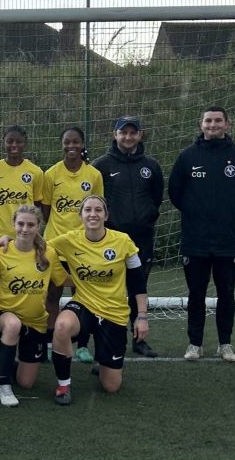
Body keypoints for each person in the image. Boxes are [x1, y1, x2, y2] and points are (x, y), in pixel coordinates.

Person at [168, 106, 235, 363]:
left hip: (229, 240)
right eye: (208, 120)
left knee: (226, 294)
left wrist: (231, 214)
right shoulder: (187, 157)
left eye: (218, 120)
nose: (213, 125)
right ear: (201, 124)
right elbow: (175, 192)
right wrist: (197, 214)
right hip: (195, 240)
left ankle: (225, 344)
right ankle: (194, 344)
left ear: (227, 125)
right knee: (196, 294)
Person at [47, 195, 149, 405]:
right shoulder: (69, 239)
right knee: (62, 325)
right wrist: (7, 240)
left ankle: (105, 362)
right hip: (83, 304)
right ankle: (64, 385)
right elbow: (37, 245)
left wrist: (142, 317)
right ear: (80, 215)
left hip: (114, 312)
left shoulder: (123, 241)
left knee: (111, 387)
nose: (93, 214)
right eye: (88, 210)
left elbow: (138, 283)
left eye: (98, 210)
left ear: (106, 215)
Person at [92, 115, 164, 358]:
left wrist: (146, 217)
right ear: (115, 135)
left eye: (133, 132)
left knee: (138, 287)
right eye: (123, 132)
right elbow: (95, 201)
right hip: (111, 238)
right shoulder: (101, 166)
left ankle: (139, 340)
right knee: (108, 290)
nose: (128, 137)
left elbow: (156, 198)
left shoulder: (151, 165)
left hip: (141, 238)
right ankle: (106, 342)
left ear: (140, 135)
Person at [0, 205, 68, 407]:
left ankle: (3, 355)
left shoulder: (49, 253)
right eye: (20, 223)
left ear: (39, 226)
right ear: (13, 224)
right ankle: (4, 387)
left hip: (36, 321)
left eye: (30, 224)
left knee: (26, 382)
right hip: (6, 315)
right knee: (13, 326)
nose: (25, 229)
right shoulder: (3, 251)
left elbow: (62, 280)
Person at [41, 126, 103, 363]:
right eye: (67, 142)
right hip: (56, 244)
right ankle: (49, 341)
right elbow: (46, 209)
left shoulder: (93, 175)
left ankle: (83, 345)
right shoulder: (51, 174)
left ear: (82, 144)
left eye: (76, 142)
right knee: (52, 294)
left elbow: (97, 208)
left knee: (83, 295)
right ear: (62, 144)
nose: (71, 147)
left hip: (84, 246)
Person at [0, 125, 44, 245]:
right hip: (0, 235)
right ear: (4, 143)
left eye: (19, 142)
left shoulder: (35, 171)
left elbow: (37, 205)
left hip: (26, 234)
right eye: (10, 141)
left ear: (25, 144)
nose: (14, 145)